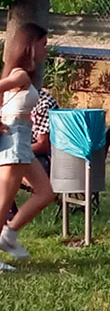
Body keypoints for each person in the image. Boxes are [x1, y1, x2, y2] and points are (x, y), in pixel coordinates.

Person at [0, 23, 56, 271]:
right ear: (30, 46)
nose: (46, 49)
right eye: (43, 44)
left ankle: (8, 235)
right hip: (15, 139)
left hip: (22, 138)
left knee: (46, 192)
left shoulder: (22, 75)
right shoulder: (20, 74)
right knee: (3, 203)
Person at [7, 88, 59, 221]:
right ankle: (9, 213)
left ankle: (10, 214)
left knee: (7, 162)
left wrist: (16, 150)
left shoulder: (43, 103)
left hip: (44, 158)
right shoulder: (11, 100)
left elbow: (43, 145)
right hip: (21, 152)